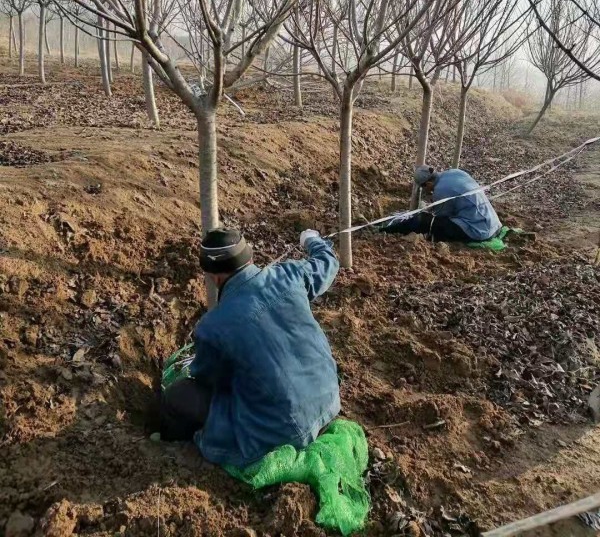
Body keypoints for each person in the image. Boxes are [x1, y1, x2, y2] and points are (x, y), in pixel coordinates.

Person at [159, 227, 341, 467]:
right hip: (328, 401)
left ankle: (167, 443)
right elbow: (328, 262)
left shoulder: (213, 327)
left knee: (179, 395)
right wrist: (312, 240)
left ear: (214, 277)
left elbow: (206, 380)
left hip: (280, 432)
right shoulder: (290, 274)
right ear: (250, 256)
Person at [381, 165, 502, 243]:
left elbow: (440, 216)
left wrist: (425, 213)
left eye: (424, 188)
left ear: (428, 184)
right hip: (493, 223)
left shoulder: (440, 190)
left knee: (426, 222)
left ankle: (387, 230)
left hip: (478, 231)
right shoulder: (455, 172)